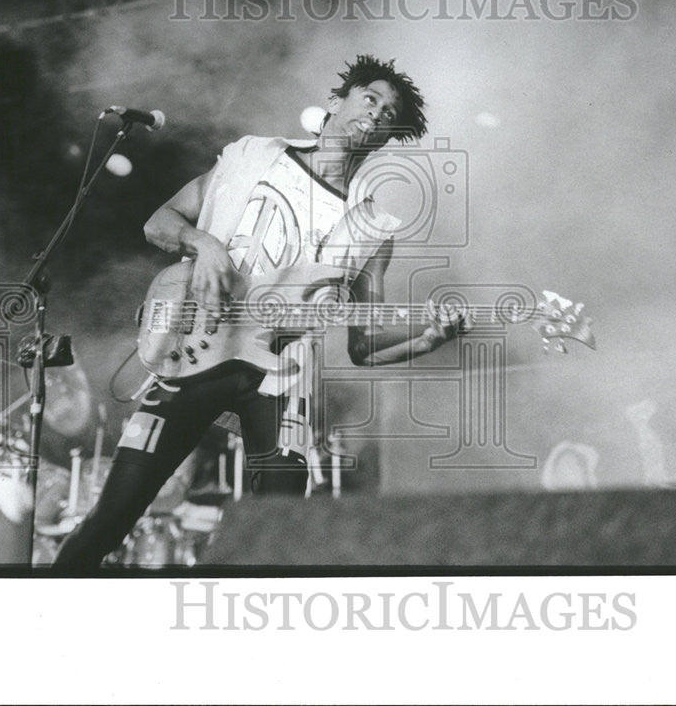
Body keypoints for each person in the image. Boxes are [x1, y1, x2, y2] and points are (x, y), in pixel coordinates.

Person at [53, 55, 463, 570]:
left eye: (390, 115)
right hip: (197, 348)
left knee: (277, 535)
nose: (378, 114)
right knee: (111, 519)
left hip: (284, 379)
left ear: (389, 138)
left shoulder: (372, 229)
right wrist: (202, 244)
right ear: (336, 103)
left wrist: (428, 339)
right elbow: (159, 222)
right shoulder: (253, 158)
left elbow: (363, 347)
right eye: (370, 99)